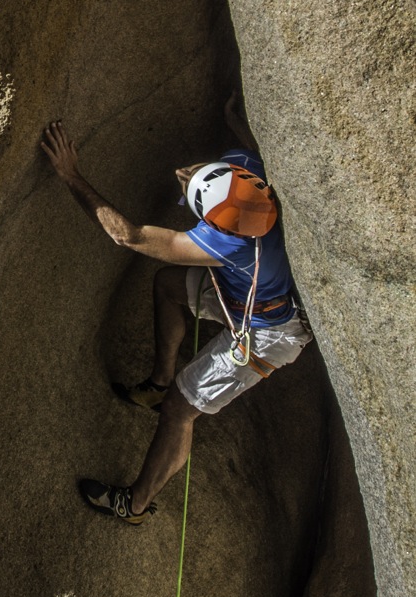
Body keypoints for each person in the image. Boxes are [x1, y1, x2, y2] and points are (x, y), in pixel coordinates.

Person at [40, 94, 311, 525]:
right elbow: (249, 145)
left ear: (215, 224)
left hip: (269, 331)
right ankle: (159, 382)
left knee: (182, 409)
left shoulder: (227, 242)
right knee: (169, 287)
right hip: (248, 293)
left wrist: (71, 175)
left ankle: (135, 504)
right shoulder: (252, 175)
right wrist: (234, 117)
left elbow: (128, 236)